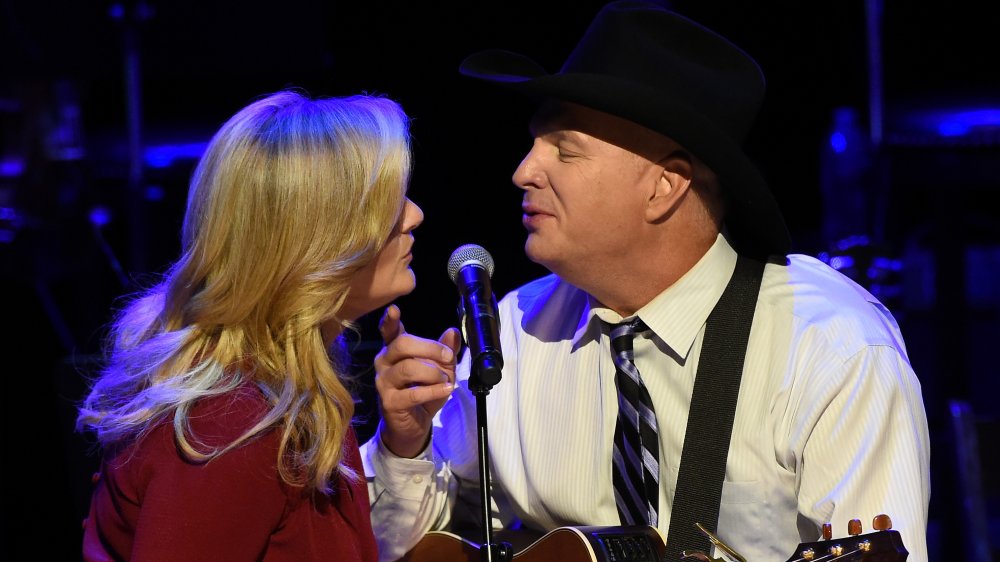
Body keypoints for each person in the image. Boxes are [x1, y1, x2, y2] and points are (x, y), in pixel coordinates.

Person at [362, 2, 931, 562]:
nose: (522, 172)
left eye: (565, 149)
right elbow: (395, 545)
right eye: (534, 143)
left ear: (664, 186)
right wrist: (404, 443)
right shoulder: (515, 330)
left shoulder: (830, 348)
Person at [75, 89, 449, 561]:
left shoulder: (284, 388)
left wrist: (402, 442)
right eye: (388, 202)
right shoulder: (229, 425)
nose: (415, 215)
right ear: (321, 238)